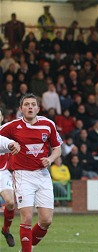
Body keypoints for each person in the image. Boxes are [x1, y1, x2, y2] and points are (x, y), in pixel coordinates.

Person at [0, 93, 63, 252]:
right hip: (22, 175)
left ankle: (26, 248)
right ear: (21, 109)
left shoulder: (48, 124)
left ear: (38, 108)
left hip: (43, 175)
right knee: (27, 217)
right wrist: (10, 145)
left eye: (33, 104)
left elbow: (57, 148)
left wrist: (50, 159)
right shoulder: (13, 126)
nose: (30, 107)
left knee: (46, 220)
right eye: (26, 104)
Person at [0, 108, 21, 248]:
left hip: (2, 173)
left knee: (10, 202)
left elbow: (11, 144)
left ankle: (6, 230)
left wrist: (15, 145)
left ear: (2, 118)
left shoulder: (5, 134)